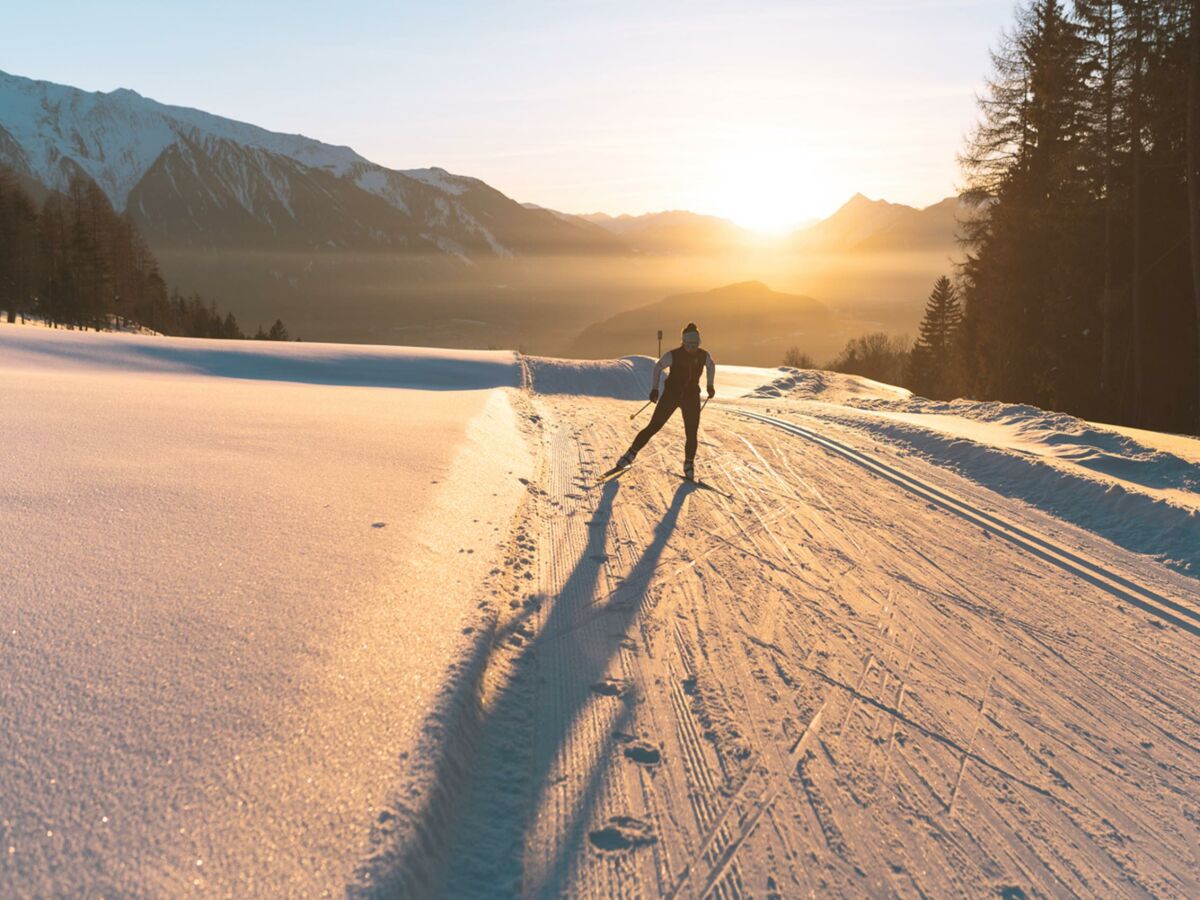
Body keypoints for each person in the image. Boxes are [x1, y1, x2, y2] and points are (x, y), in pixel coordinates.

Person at [615, 322, 715, 480]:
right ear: (683, 342)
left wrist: (710, 385)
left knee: (691, 433)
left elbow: (711, 366)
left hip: (691, 397)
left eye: (695, 344)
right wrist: (654, 389)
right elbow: (657, 367)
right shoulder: (673, 355)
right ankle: (630, 454)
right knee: (654, 426)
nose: (692, 348)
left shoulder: (703, 355)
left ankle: (689, 464)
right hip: (671, 395)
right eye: (689, 344)